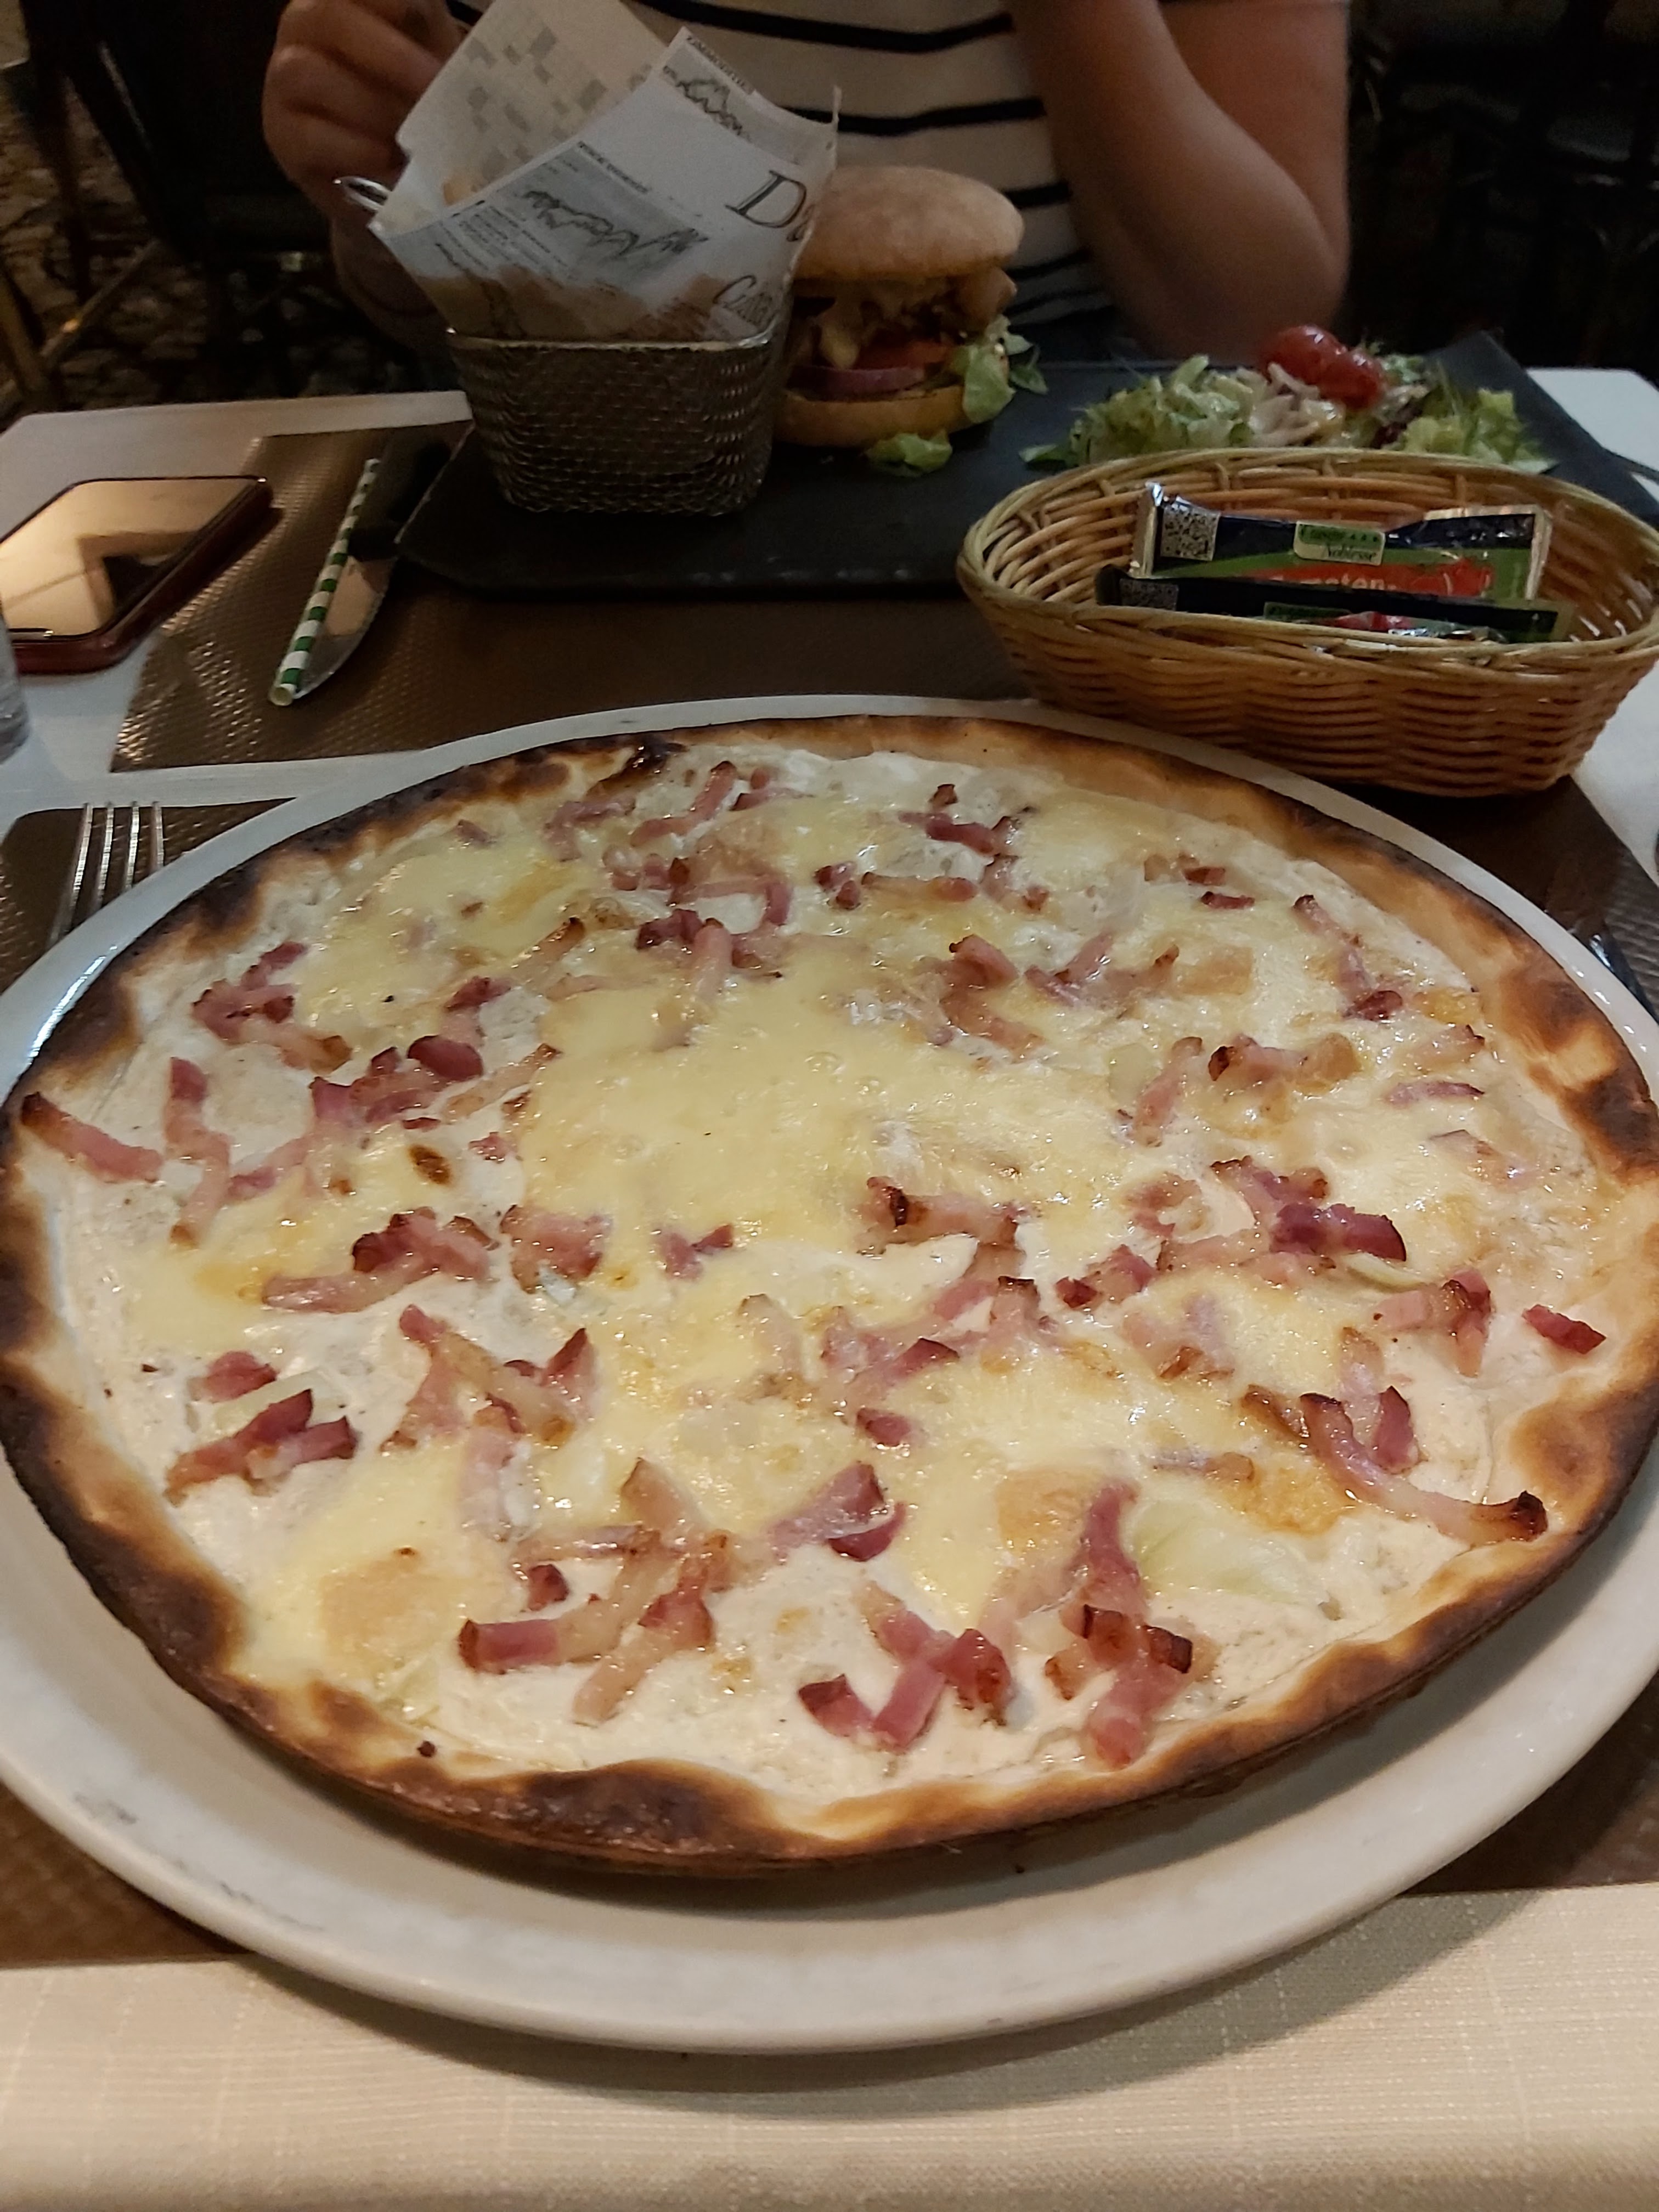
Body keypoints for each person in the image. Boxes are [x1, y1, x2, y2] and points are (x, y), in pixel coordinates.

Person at [263, 0, 1348, 362]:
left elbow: (1254, 314)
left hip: (1075, 500)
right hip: (589, 486)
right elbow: (437, 319)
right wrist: (383, 210)